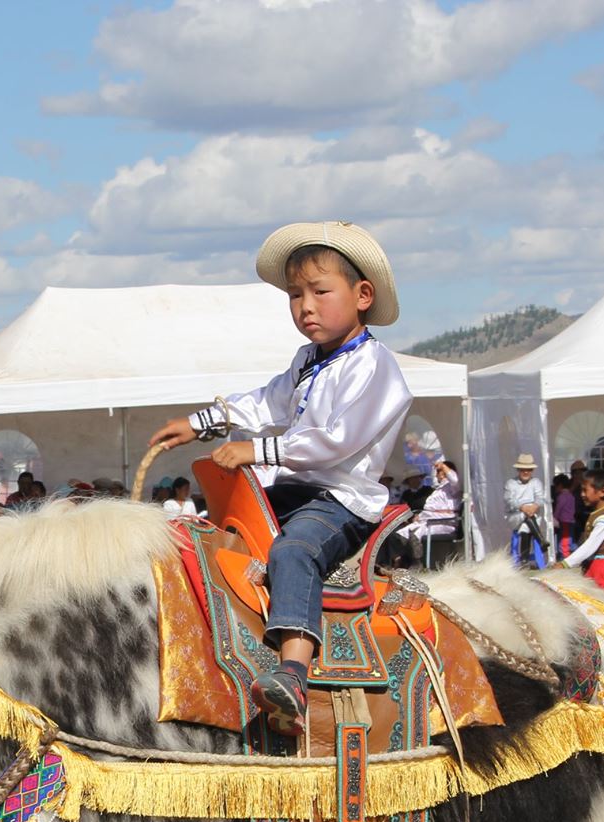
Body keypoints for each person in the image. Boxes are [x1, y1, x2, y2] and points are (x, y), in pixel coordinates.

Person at [147, 220, 410, 730]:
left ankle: (293, 671)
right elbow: (267, 401)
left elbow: (336, 439)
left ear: (362, 295)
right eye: (294, 295)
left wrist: (256, 450)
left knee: (294, 551)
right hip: (293, 490)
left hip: (341, 500)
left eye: (319, 291)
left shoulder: (374, 366)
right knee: (211, 539)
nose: (304, 306)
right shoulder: (307, 361)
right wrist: (202, 422)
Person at [394, 458, 460, 565]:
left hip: (442, 523)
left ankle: (418, 562)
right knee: (401, 535)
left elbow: (455, 480)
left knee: (414, 535)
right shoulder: (440, 488)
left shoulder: (452, 488)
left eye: (439, 472)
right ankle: (406, 561)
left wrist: (443, 466)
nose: (437, 474)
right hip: (428, 522)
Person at [562, 474, 604, 594]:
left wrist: (565, 563)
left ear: (602, 492)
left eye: (585, 490)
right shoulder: (597, 514)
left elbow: (590, 546)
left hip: (602, 570)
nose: (582, 494)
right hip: (593, 567)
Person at [502, 454, 548, 569]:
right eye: (523, 469)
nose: (526, 472)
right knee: (525, 516)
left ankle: (524, 559)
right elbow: (509, 500)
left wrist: (534, 506)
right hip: (515, 515)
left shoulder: (536, 482)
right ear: (518, 470)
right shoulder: (510, 483)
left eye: (529, 470)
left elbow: (540, 498)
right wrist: (523, 507)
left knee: (527, 521)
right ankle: (541, 540)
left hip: (532, 514)